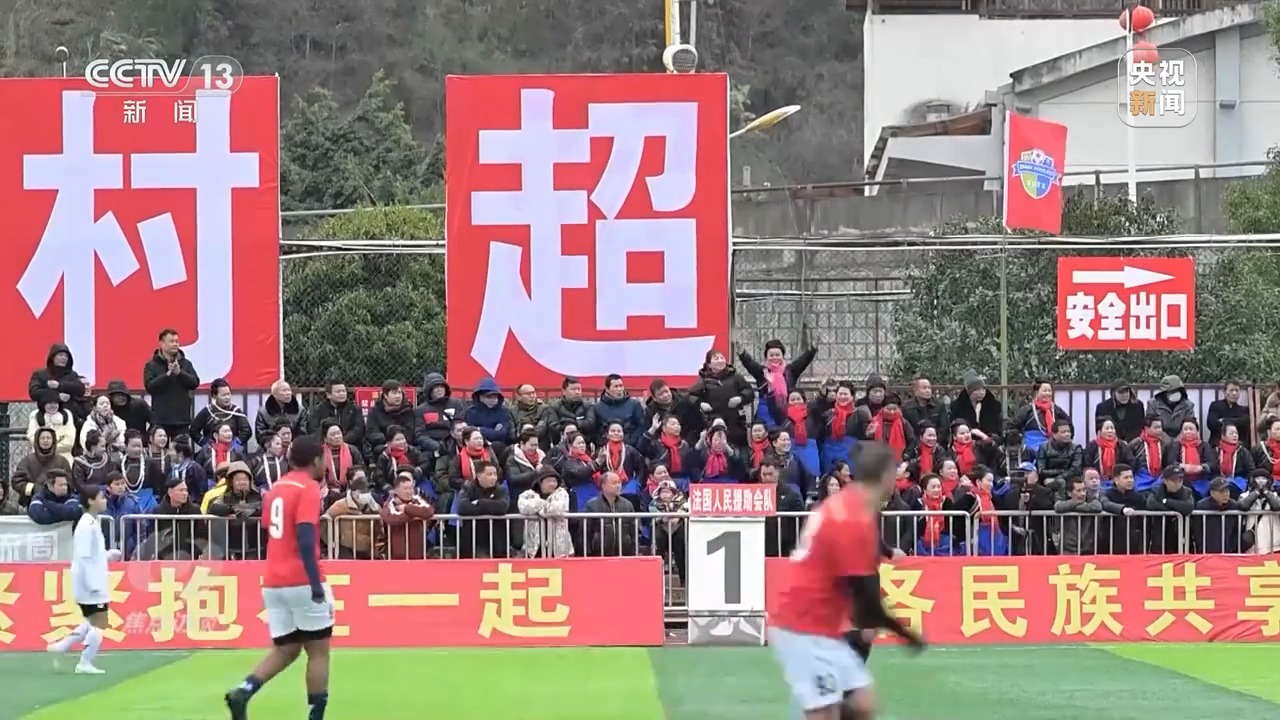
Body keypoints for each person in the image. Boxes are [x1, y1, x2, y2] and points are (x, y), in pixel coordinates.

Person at [769, 441, 925, 720]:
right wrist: (905, 634)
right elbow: (864, 592)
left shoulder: (852, 504)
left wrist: (887, 553)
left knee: (862, 704)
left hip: (821, 623)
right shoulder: (852, 518)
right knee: (824, 712)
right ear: (885, 476)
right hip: (804, 625)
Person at [225, 436, 333, 720]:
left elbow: (270, 530)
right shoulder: (308, 488)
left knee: (286, 648)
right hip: (302, 578)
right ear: (315, 460)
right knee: (318, 652)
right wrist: (316, 584)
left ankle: (244, 690)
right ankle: (315, 716)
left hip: (274, 580)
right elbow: (306, 539)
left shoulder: (276, 488)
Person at [46, 484, 120, 674]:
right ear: (91, 501)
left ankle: (64, 645)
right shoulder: (87, 525)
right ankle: (85, 661)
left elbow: (92, 554)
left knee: (90, 621)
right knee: (98, 622)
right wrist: (93, 584)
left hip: (91, 581)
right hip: (90, 584)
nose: (105, 500)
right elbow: (84, 557)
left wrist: (107, 555)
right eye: (101, 497)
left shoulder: (92, 522)